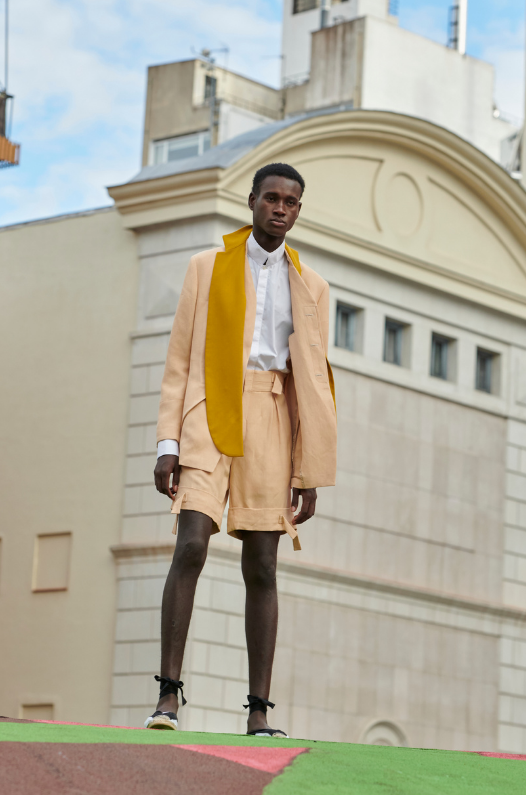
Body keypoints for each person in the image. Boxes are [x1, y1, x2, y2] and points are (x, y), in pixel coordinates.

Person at [145, 162, 337, 737]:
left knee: (263, 564)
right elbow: (179, 361)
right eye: (271, 198)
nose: (280, 208)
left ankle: (258, 711)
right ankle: (168, 697)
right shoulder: (207, 267)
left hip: (273, 417)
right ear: (252, 201)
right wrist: (167, 442)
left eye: (291, 203)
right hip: (208, 408)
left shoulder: (313, 286)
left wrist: (309, 468)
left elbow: (313, 381)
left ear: (298, 211)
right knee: (193, 543)